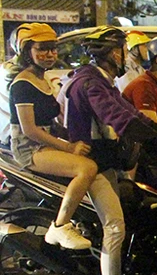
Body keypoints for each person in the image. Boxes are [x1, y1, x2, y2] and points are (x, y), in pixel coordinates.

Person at [62, 26, 157, 275]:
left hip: (105, 161)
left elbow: (132, 114)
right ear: (111, 53)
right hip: (91, 164)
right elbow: (119, 119)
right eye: (122, 50)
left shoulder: (102, 81)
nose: (127, 56)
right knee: (115, 227)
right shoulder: (91, 83)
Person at [7, 23, 97, 251]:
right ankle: (60, 226)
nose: (50, 54)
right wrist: (68, 148)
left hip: (45, 142)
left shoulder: (42, 79)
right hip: (29, 148)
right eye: (42, 49)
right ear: (27, 51)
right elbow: (30, 130)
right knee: (86, 168)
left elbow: (52, 123)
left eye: (53, 48)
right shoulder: (22, 84)